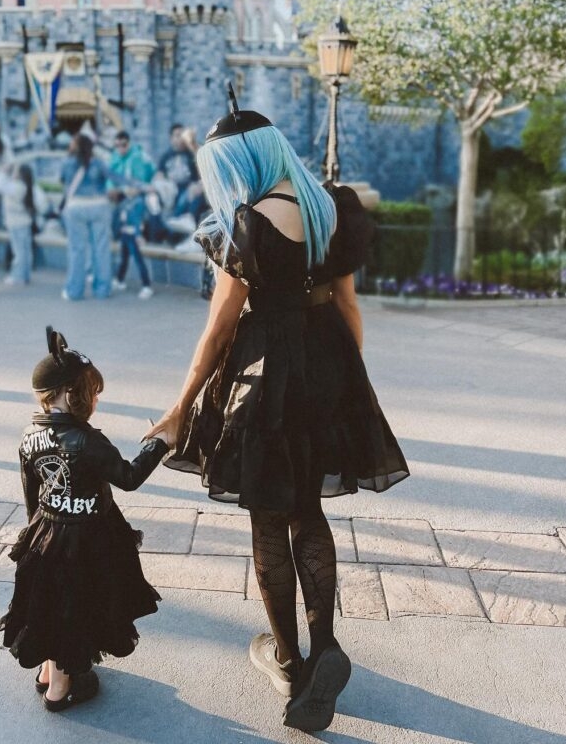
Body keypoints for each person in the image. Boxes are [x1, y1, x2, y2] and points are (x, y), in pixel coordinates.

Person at [146, 90, 409, 734]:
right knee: (308, 512)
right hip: (328, 365)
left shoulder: (246, 226)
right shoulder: (331, 206)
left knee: (269, 516)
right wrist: (349, 379)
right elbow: (348, 306)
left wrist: (180, 407)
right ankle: (328, 648)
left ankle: (289, 658)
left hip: (265, 376)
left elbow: (218, 330)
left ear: (236, 162)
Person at [0, 327, 170, 711]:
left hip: (47, 531)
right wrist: (162, 443)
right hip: (88, 538)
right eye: (93, 392)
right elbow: (128, 477)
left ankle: (47, 672)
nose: (95, 400)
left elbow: (32, 492)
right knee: (73, 610)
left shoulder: (29, 435)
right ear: (74, 394)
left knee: (51, 604)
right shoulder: (88, 441)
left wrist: (38, 535)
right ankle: (61, 690)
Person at [60, 133, 112, 301]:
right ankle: (102, 289)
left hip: (76, 207)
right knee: (101, 248)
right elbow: (111, 178)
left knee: (77, 250)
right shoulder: (98, 163)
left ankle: (75, 291)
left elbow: (63, 181)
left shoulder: (68, 162)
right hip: (99, 205)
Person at [108, 130, 155, 299]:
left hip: (134, 231)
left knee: (135, 256)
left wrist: (138, 233)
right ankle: (120, 279)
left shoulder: (137, 158)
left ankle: (146, 284)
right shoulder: (126, 200)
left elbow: (139, 217)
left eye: (123, 144)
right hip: (126, 230)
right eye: (117, 145)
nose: (120, 148)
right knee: (125, 254)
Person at [0, 163, 45, 285]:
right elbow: (42, 205)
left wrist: (3, 171)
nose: (14, 173)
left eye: (16, 171)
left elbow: (0, 186)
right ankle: (25, 275)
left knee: (19, 252)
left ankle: (18, 276)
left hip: (15, 223)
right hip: (25, 222)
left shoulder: (16, 187)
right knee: (25, 251)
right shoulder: (30, 187)